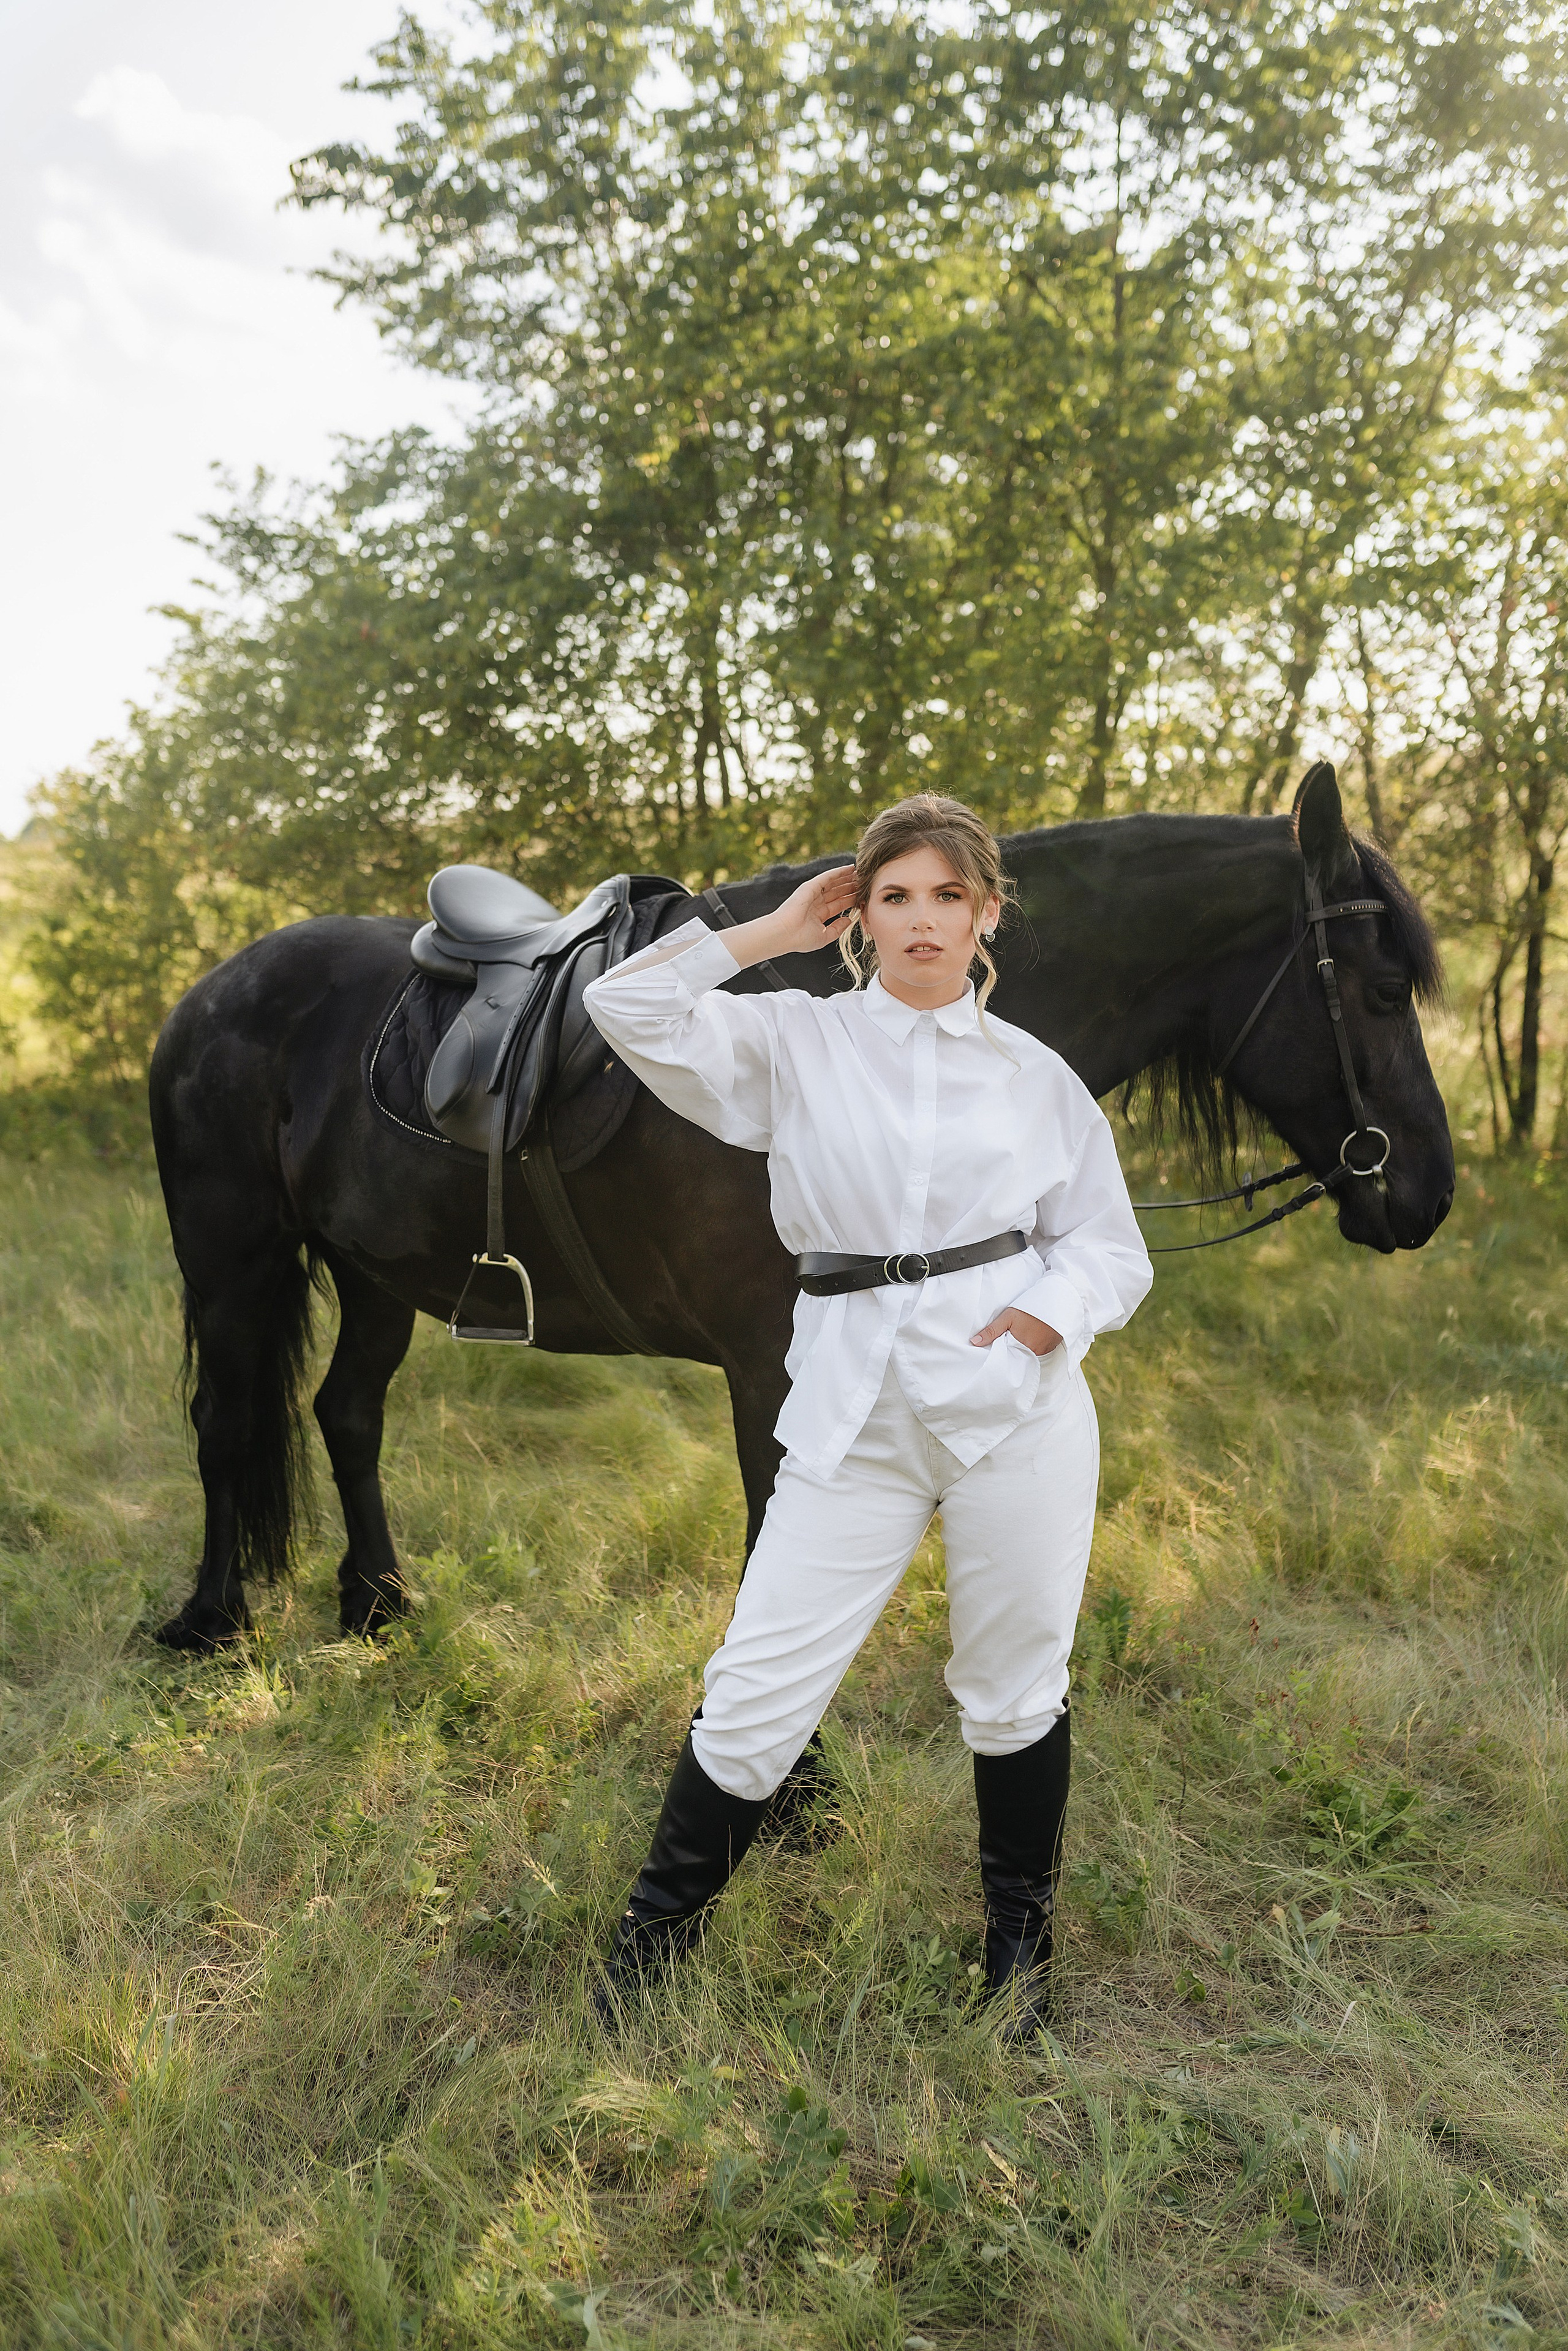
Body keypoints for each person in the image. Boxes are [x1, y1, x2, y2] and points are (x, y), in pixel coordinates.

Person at [581, 794, 1152, 2032]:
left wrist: (1048, 1316)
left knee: (1009, 1684)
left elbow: (1106, 1245)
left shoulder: (1037, 1077)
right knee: (756, 1682)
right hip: (850, 1408)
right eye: (895, 893)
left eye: (948, 894)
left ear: (985, 912)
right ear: (862, 912)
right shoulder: (792, 1040)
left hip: (1014, 1405)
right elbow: (622, 1007)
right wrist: (762, 932)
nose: (921, 918)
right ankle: (648, 1947)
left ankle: (1018, 1952)